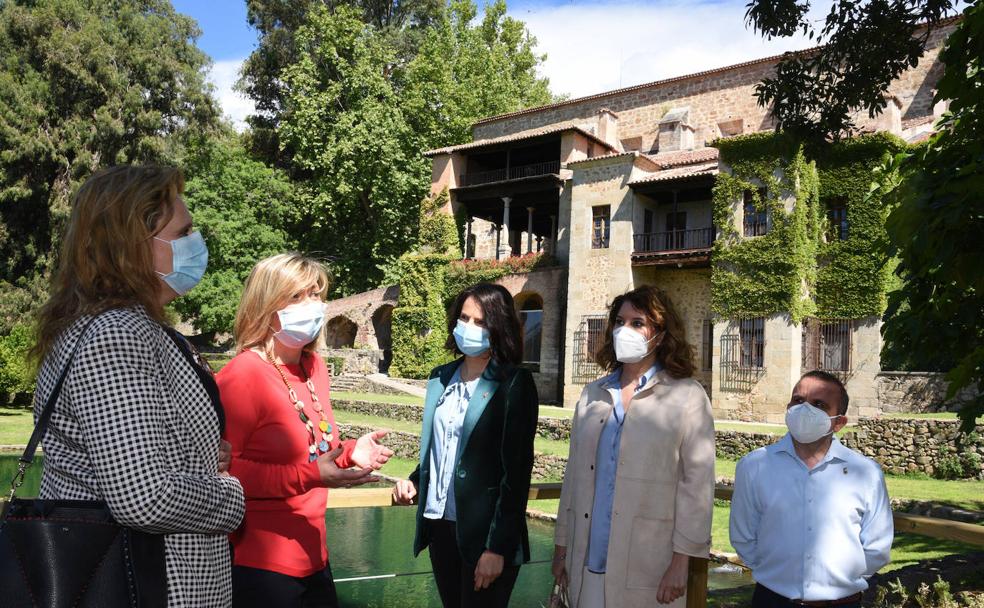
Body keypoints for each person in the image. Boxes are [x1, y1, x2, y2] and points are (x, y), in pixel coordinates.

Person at [30, 165, 246, 606]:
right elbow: (143, 495)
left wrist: (202, 452)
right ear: (133, 246)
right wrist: (231, 496)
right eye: (183, 232)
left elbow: (136, 446)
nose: (196, 243)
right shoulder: (117, 333)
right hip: (148, 586)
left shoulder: (126, 326)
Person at [217, 252, 394, 608]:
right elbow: (223, 472)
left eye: (316, 294)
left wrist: (346, 453)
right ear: (266, 306)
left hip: (316, 559)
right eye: (297, 296)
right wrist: (311, 476)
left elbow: (313, 448)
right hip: (259, 568)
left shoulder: (315, 367)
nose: (313, 305)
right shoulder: (242, 375)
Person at [550, 285, 715, 608]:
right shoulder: (593, 394)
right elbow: (574, 478)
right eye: (619, 321)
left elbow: (697, 487)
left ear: (661, 334)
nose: (625, 330)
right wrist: (561, 548)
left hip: (649, 566)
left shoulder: (688, 396)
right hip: (586, 559)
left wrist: (681, 563)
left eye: (638, 323)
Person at [392, 283, 539, 608]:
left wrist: (496, 549)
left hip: (486, 537)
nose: (468, 328)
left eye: (480, 321)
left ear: (499, 328)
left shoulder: (514, 383)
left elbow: (516, 476)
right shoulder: (441, 378)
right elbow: (442, 449)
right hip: (441, 528)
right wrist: (414, 482)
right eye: (463, 318)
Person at [729, 370, 894, 607]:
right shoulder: (754, 466)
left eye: (819, 404)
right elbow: (743, 536)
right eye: (798, 400)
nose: (805, 409)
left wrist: (839, 581)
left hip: (842, 603)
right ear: (788, 407)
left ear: (838, 422)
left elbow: (877, 546)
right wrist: (778, 577)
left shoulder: (866, 473)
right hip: (773, 600)